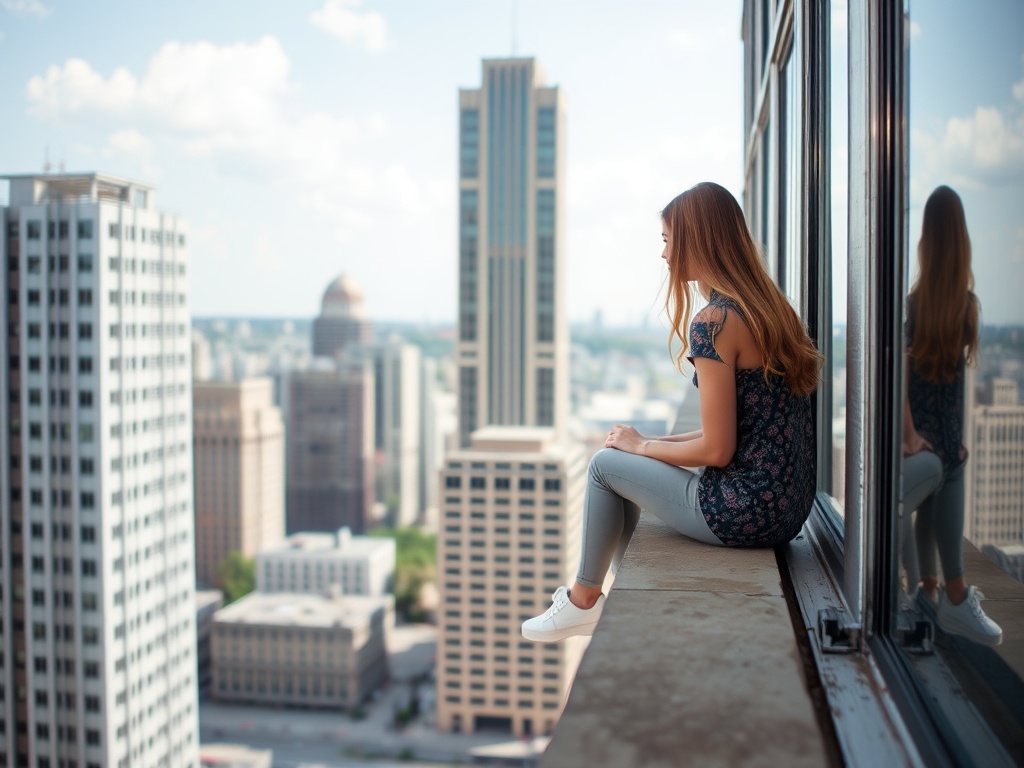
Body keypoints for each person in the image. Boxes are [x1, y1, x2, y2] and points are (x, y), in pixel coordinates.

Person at [522, 181, 822, 642]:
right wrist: (645, 448)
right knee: (628, 459)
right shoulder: (770, 311)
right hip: (788, 510)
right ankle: (619, 593)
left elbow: (718, 450)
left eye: (667, 240)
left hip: (743, 513)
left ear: (697, 240)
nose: (663, 254)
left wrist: (641, 446)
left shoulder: (714, 324)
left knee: (604, 466)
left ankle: (583, 600)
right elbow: (730, 431)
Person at [901, 184, 1002, 646]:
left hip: (925, 440)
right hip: (935, 441)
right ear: (962, 243)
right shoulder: (966, 307)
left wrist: (910, 435)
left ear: (925, 243)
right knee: (950, 474)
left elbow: (903, 383)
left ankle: (929, 591)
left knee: (931, 495)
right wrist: (942, 439)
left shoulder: (913, 306)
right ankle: (955, 597)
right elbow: (953, 387)